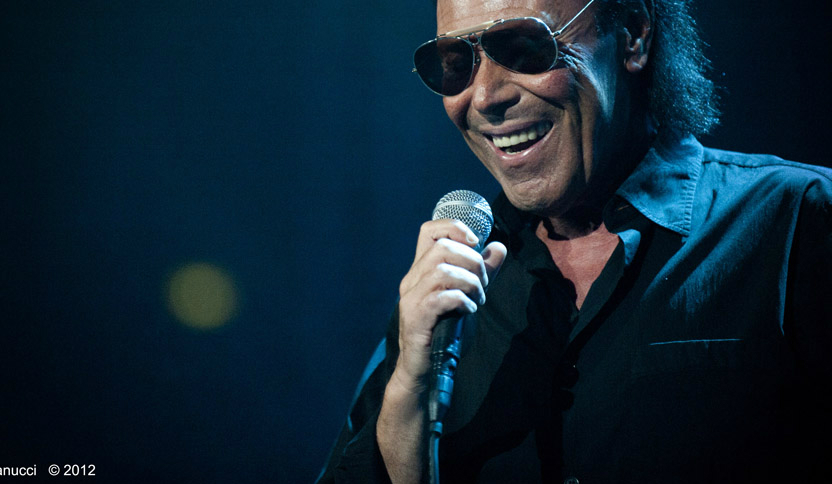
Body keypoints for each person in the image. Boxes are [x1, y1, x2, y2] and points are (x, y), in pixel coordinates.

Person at [316, 0, 832, 482]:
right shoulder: (452, 286)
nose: (486, 96)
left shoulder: (797, 221)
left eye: (524, 48)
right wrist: (407, 396)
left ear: (632, 34)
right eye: (454, 64)